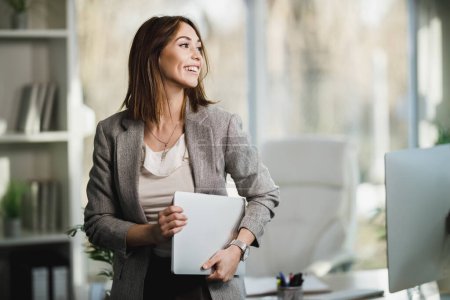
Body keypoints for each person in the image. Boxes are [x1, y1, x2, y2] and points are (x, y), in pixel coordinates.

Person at [84, 15, 280, 300]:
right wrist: (152, 233)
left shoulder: (221, 125)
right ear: (153, 54)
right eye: (185, 45)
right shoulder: (112, 132)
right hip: (142, 287)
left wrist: (237, 248)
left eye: (199, 48)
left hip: (209, 286)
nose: (196, 56)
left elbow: (265, 194)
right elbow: (97, 222)